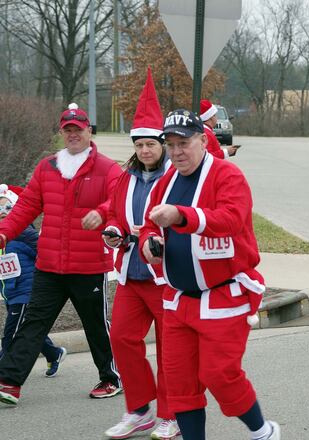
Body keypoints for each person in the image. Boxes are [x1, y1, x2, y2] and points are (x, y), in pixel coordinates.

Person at [139, 109, 279, 440]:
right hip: (177, 300)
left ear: (203, 140)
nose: (176, 152)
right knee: (179, 382)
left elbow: (231, 218)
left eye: (183, 143)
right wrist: (149, 243)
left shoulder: (227, 176)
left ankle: (262, 431)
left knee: (220, 375)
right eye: (170, 145)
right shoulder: (165, 183)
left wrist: (180, 216)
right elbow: (149, 224)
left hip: (222, 294)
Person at [0, 103, 123, 406]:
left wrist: (105, 217)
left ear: (88, 130)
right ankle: (9, 382)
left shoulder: (108, 169)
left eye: (78, 129)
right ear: (61, 133)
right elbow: (26, 206)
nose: (73, 134)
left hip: (88, 266)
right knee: (33, 323)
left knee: (96, 326)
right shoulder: (47, 167)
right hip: (50, 265)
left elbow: (120, 205)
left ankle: (111, 378)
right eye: (67, 130)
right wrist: (4, 232)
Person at [102, 68, 180, 440]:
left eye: (151, 143)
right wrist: (115, 233)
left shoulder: (176, 177)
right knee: (121, 338)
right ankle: (139, 409)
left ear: (162, 144)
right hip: (131, 273)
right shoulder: (125, 178)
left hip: (166, 276)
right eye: (139, 145)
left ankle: (171, 415)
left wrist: (157, 235)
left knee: (170, 349)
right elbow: (117, 215)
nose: (145, 150)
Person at [0, 185, 67, 378]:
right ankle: (54, 353)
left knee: (11, 335)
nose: (3, 213)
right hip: (10, 293)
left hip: (26, 291)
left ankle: (5, 372)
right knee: (29, 329)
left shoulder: (24, 232)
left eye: (8, 208)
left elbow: (45, 251)